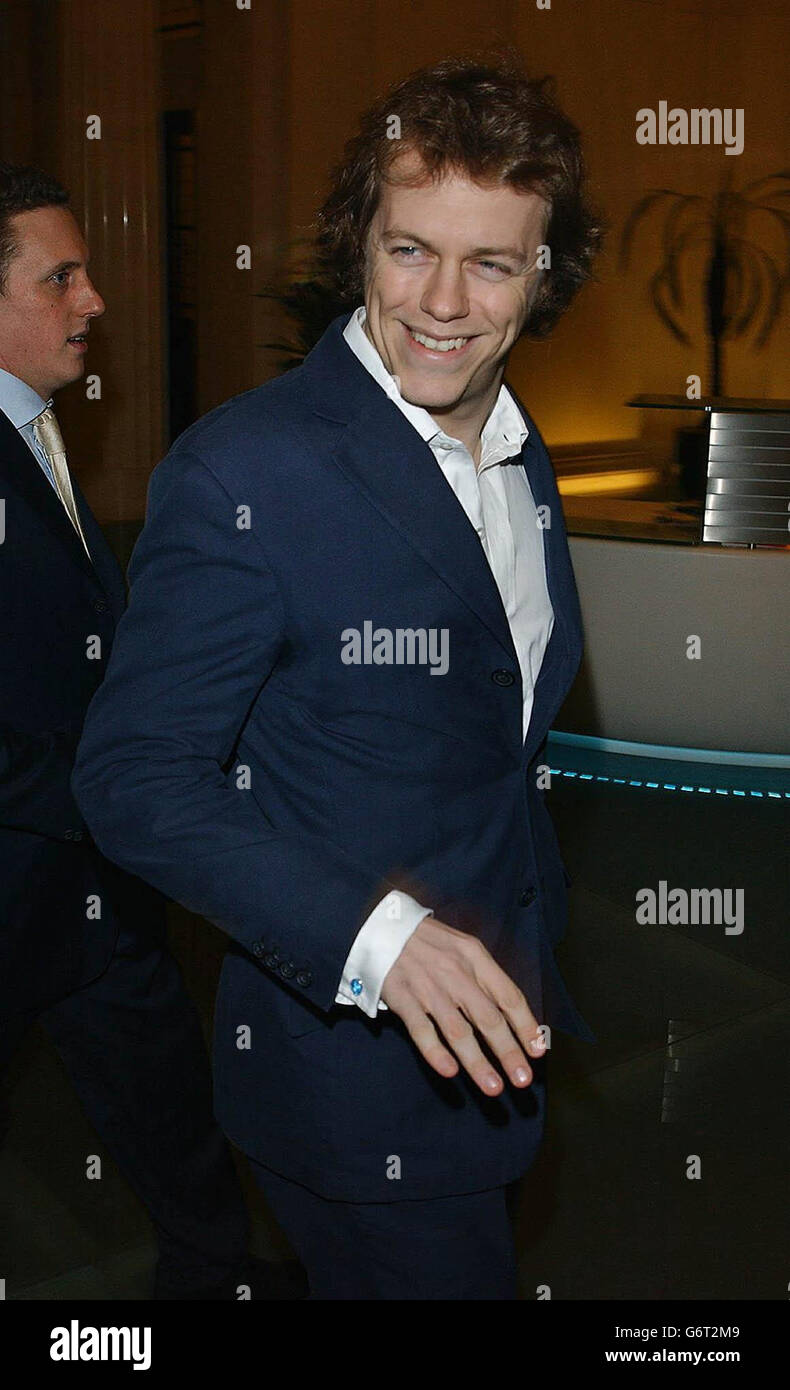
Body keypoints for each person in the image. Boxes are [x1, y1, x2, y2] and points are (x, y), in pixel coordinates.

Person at [73, 56, 602, 1300]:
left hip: (492, 1050)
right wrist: (386, 942)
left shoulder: (522, 459)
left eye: (492, 263)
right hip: (350, 1089)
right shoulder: (250, 472)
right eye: (409, 248)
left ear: (544, 275)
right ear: (357, 237)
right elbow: (133, 777)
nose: (443, 302)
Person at [0, 163, 305, 1301]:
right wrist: (109, 789)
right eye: (61, 276)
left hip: (97, 895)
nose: (94, 301)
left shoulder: (38, 430)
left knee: (172, 1107)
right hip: (26, 873)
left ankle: (214, 1280)